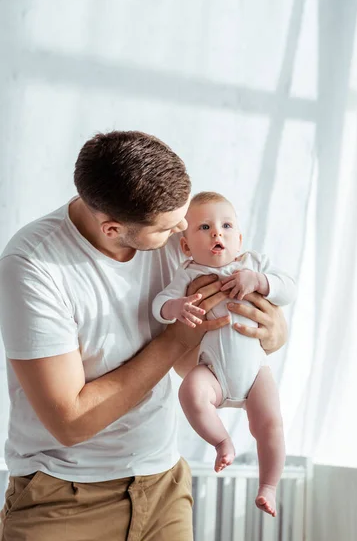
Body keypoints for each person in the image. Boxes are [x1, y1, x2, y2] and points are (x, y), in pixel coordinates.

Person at [0, 131, 288, 541]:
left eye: (185, 219)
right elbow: (71, 422)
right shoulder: (34, 265)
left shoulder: (176, 232)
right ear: (113, 228)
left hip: (163, 484)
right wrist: (175, 340)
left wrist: (272, 328)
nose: (185, 233)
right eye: (170, 228)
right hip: (62, 496)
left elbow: (203, 354)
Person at [153, 192, 296, 517]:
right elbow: (159, 304)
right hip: (211, 371)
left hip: (256, 372)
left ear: (240, 238)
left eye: (226, 226)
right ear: (186, 246)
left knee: (270, 425)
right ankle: (221, 442)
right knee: (190, 392)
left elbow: (289, 288)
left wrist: (260, 281)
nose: (218, 233)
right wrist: (176, 306)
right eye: (204, 227)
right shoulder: (187, 274)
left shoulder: (253, 264)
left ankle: (269, 486)